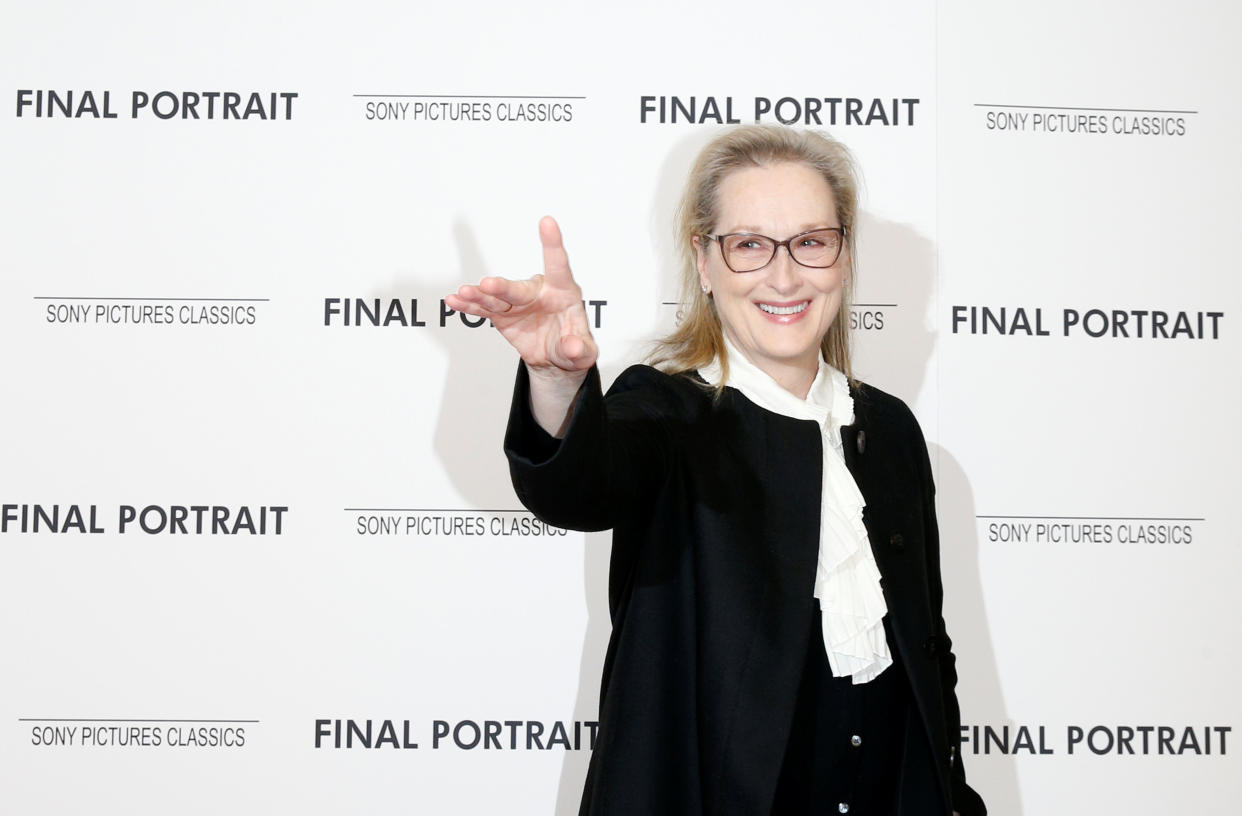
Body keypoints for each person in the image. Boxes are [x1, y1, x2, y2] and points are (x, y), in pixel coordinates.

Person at [445, 125, 986, 816]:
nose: (784, 276)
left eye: (811, 242)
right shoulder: (665, 412)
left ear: (843, 257)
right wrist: (555, 380)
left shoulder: (892, 433)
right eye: (749, 245)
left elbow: (928, 656)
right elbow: (579, 485)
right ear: (703, 261)